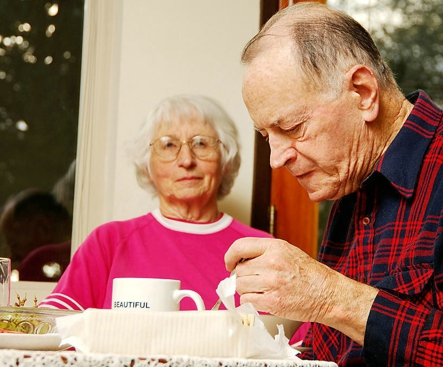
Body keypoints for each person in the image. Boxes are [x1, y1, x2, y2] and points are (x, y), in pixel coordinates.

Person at [224, 3, 443, 366]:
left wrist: (332, 296)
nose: (276, 158)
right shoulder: (350, 187)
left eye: (292, 127)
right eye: (267, 135)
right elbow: (333, 354)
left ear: (363, 93)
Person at [40, 94, 272, 311]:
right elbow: (54, 329)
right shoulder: (108, 243)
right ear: (147, 167)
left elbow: (298, 347)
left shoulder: (262, 249)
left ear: (226, 162)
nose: (186, 160)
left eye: (201, 143)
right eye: (169, 145)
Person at [0, 188, 72, 281]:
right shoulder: (87, 255)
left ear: (43, 229)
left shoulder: (38, 261)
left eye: (15, 245)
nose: (13, 257)